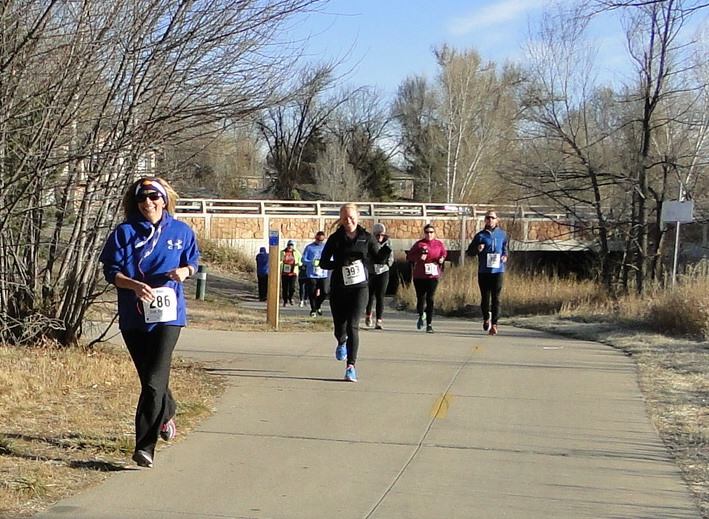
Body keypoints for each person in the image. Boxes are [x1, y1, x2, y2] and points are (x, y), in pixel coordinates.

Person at [99, 177, 200, 469]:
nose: (148, 204)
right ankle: (168, 410)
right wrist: (132, 285)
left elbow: (193, 260)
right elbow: (111, 271)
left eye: (153, 198)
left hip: (168, 317)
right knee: (150, 379)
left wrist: (185, 271)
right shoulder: (124, 231)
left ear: (164, 199)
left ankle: (145, 446)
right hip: (134, 315)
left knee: (155, 380)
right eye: (142, 199)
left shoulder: (180, 231)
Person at [320, 203, 391, 382]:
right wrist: (339, 264)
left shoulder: (366, 238)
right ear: (341, 219)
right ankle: (341, 341)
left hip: (360, 287)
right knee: (340, 327)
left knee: (353, 326)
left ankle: (351, 366)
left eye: (351, 217)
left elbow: (377, 258)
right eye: (345, 218)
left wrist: (387, 251)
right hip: (339, 288)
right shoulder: (335, 238)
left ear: (358, 217)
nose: (349, 221)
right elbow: (323, 263)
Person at [466, 210, 508, 335]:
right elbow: (469, 252)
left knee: (496, 299)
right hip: (484, 271)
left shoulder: (502, 234)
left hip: (498, 270)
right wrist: (477, 249)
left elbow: (505, 249)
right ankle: (486, 319)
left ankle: (494, 324)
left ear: (497, 220)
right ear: (485, 220)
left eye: (492, 218)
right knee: (485, 298)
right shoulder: (480, 236)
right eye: (487, 218)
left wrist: (505, 256)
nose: (490, 220)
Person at [406, 223, 447, 333]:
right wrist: (419, 258)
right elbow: (409, 256)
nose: (429, 234)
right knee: (421, 299)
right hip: (420, 275)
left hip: (433, 275)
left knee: (430, 299)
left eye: (431, 232)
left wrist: (441, 259)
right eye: (427, 232)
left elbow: (444, 253)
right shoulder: (419, 244)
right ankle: (421, 314)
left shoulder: (438, 244)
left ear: (434, 233)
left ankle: (429, 324)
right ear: (424, 233)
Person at [365, 223, 394, 330]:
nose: (380, 237)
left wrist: (387, 264)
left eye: (381, 234)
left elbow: (391, 257)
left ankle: (379, 320)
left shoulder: (388, 243)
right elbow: (366, 256)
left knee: (380, 296)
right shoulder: (370, 242)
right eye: (377, 235)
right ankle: (368, 315)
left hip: (383, 270)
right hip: (372, 271)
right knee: (370, 295)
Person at [301, 231, 329, 317]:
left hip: (323, 273)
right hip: (312, 274)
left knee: (325, 292)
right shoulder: (309, 247)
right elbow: (303, 259)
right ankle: (313, 309)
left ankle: (318, 305)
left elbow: (331, 258)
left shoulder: (326, 247)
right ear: (315, 238)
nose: (319, 241)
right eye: (318, 239)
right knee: (312, 292)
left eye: (321, 240)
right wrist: (311, 262)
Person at [280, 240, 301, 306]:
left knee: (292, 287)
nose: (290, 246)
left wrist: (298, 264)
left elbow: (301, 260)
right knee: (285, 287)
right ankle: (285, 300)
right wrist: (282, 263)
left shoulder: (296, 252)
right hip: (284, 272)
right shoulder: (282, 252)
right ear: (287, 245)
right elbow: (279, 260)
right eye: (289, 245)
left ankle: (291, 298)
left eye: (291, 245)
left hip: (293, 272)